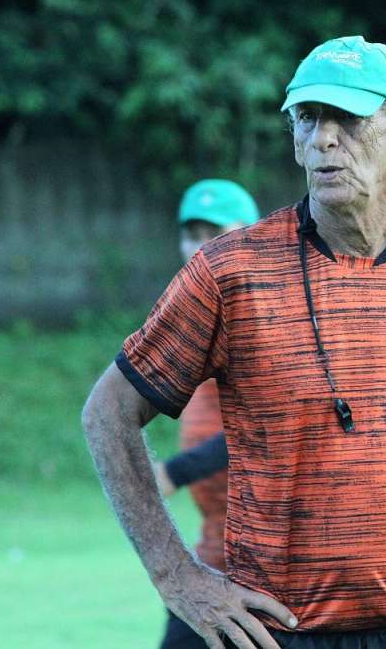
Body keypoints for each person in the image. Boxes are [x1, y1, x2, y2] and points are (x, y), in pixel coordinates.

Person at [82, 35, 386, 649]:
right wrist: (176, 577)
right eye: (308, 118)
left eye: (347, 118)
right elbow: (108, 411)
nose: (323, 138)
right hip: (282, 631)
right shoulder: (230, 272)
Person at [152, 179, 261, 649]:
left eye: (215, 232)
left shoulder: (261, 314)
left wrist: (176, 472)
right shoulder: (195, 316)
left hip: (271, 564)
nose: (201, 246)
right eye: (192, 234)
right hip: (215, 553)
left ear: (249, 234)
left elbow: (267, 426)